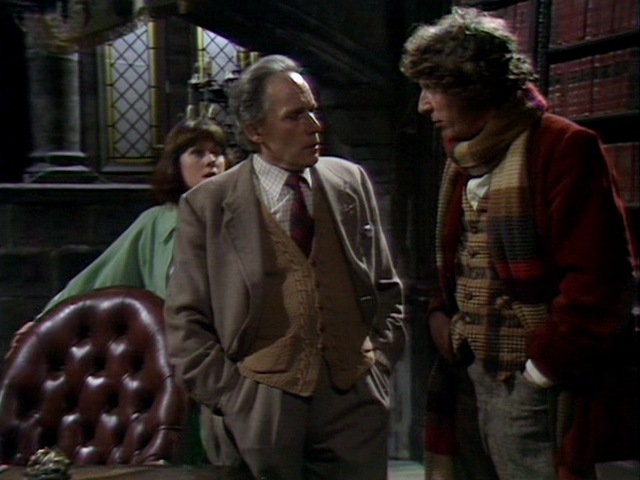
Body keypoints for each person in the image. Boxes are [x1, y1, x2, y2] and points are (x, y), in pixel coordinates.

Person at [400, 7, 637, 480]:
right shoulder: (463, 159)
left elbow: (600, 283)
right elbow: (454, 264)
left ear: (474, 85)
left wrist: (540, 373)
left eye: (433, 89)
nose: (424, 106)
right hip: (468, 375)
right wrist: (441, 319)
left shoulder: (563, 148)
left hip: (535, 384)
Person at [163, 54, 406, 480]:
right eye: (295, 116)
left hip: (354, 402)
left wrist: (378, 364)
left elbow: (386, 287)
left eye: (313, 111)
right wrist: (233, 395)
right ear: (256, 131)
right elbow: (186, 320)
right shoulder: (208, 204)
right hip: (261, 410)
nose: (315, 126)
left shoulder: (350, 181)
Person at [10, 116, 229, 465]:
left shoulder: (237, 218)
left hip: (226, 364)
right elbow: (98, 278)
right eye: (198, 153)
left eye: (217, 152)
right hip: (175, 365)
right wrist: (41, 322)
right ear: (176, 164)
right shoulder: (156, 223)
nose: (211, 161)